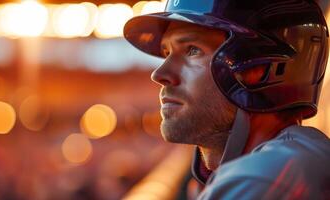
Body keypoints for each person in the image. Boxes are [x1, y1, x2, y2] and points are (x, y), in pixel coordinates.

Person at [124, 0, 330, 199]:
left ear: (260, 69)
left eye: (192, 50)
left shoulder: (263, 179)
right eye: (167, 52)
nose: (159, 74)